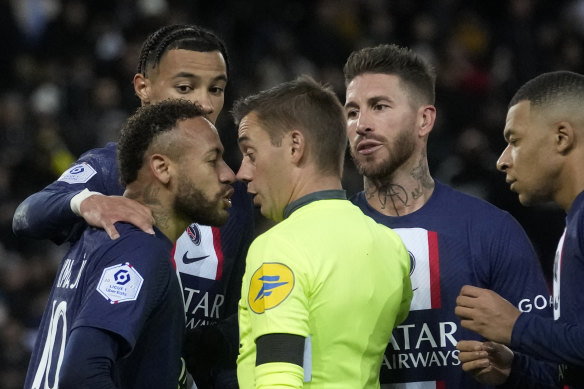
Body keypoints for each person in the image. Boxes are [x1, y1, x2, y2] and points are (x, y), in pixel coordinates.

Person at [12, 24, 254, 389]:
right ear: (143, 88)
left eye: (216, 89)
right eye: (185, 87)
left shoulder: (229, 197)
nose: (204, 103)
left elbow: (234, 318)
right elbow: (27, 215)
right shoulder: (111, 173)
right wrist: (84, 201)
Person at [342, 43, 552, 388]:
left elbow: (550, 368)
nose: (362, 124)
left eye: (379, 106)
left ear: (424, 119)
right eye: (352, 112)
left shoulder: (491, 230)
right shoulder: (330, 232)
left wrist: (512, 369)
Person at [24, 99, 236, 388]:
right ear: (162, 168)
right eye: (213, 160)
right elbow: (81, 376)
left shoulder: (100, 239)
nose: (229, 174)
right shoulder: (140, 249)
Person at [232, 75, 412, 388]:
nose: (242, 173)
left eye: (250, 154)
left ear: (294, 147)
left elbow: (279, 379)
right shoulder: (390, 245)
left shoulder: (278, 247)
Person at [455, 70, 584, 388]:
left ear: (561, 138)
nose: (502, 160)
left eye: (514, 141)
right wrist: (517, 368)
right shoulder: (574, 222)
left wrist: (515, 326)